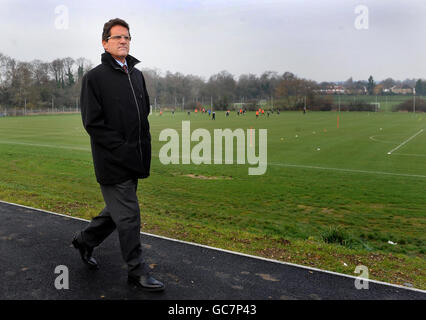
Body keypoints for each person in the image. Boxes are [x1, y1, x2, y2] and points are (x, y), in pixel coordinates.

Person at [73, 18, 165, 292]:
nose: (123, 41)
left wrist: (140, 146)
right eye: (117, 38)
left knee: (116, 213)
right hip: (112, 161)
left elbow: (143, 112)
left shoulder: (136, 75)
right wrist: (121, 148)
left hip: (135, 157)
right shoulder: (94, 78)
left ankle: (85, 240)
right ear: (105, 43)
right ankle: (137, 271)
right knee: (129, 216)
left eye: (127, 37)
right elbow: (93, 123)